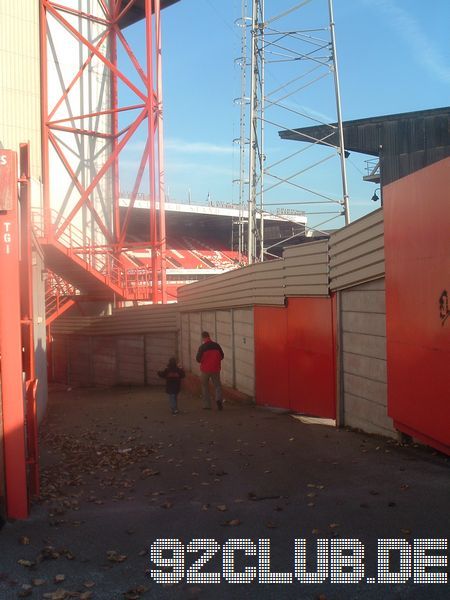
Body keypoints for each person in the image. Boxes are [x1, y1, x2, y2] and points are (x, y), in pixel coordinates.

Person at [196, 331, 224, 410]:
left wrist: (205, 361)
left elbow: (198, 359)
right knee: (217, 386)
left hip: (205, 370)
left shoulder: (202, 347)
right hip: (215, 369)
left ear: (203, 338)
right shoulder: (216, 345)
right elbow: (222, 356)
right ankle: (218, 400)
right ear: (209, 336)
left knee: (205, 386)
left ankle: (207, 405)